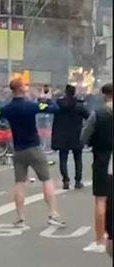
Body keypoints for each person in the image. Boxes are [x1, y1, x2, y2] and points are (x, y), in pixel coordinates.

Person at [0, 78, 65, 228]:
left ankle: (20, 217)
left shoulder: (6, 108)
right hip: (34, 148)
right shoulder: (31, 106)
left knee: (20, 183)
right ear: (22, 89)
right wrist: (46, 99)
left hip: (18, 150)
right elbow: (54, 109)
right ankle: (52, 214)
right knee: (46, 180)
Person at [81, 83, 113, 253]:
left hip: (103, 159)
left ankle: (100, 240)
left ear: (103, 95)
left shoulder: (98, 114)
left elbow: (84, 137)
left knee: (101, 200)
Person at [51, 85, 89, 190]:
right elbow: (89, 117)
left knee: (63, 159)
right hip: (76, 135)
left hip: (62, 136)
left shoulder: (59, 104)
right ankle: (78, 181)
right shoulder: (79, 106)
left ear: (65, 92)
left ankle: (66, 181)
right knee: (78, 159)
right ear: (74, 92)